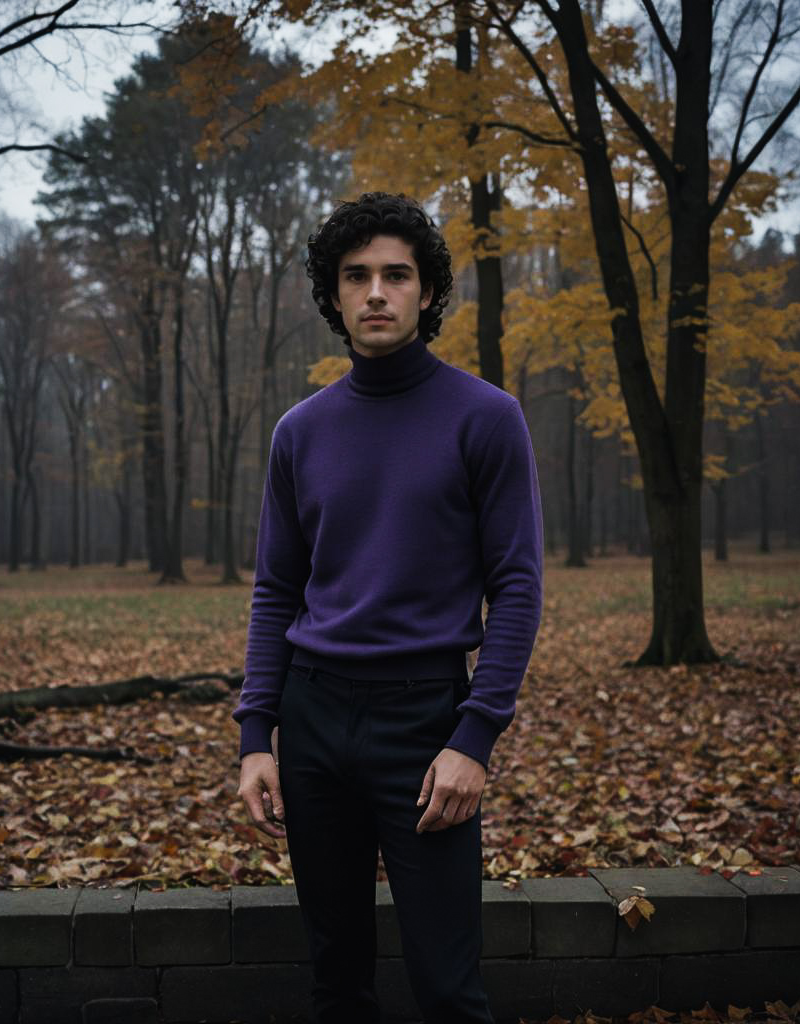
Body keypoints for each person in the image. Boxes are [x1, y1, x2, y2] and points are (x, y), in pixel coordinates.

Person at [234, 191, 544, 1024]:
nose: (377, 291)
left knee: (447, 986)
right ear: (333, 297)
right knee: (337, 982)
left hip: (427, 724)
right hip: (312, 718)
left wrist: (474, 738)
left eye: (396, 275)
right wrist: (256, 734)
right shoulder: (300, 431)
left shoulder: (487, 418)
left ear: (429, 292)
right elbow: (276, 590)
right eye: (357, 275)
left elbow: (517, 585)